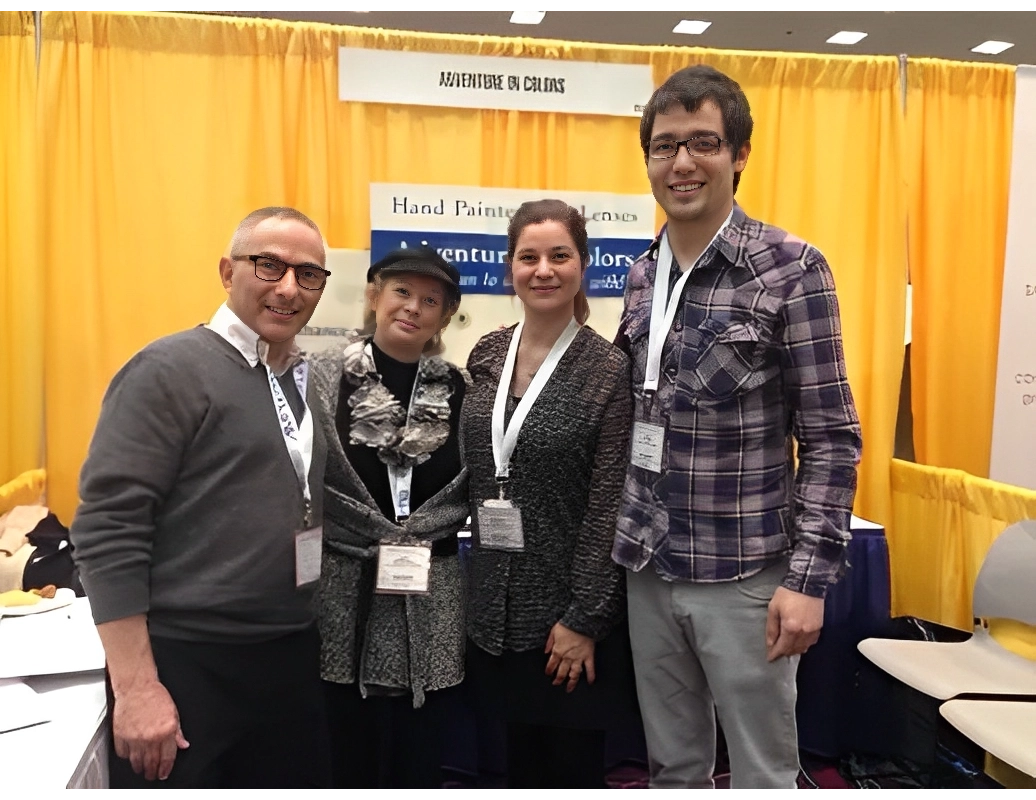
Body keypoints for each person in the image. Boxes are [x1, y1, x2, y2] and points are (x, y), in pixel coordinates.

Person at [611, 64, 864, 791]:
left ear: (739, 155)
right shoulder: (641, 274)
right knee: (673, 766)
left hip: (745, 573)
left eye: (703, 143)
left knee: (762, 771)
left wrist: (809, 580)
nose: (681, 163)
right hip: (649, 565)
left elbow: (831, 437)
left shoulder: (791, 269)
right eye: (664, 146)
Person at [69, 207, 334, 791]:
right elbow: (108, 530)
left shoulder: (298, 379)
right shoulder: (167, 370)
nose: (289, 287)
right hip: (187, 663)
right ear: (226, 270)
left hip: (286, 655)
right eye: (269, 265)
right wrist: (137, 688)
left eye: (308, 274)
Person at [463, 199, 637, 792]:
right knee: (517, 765)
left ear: (582, 266)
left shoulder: (607, 369)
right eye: (528, 257)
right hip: (493, 611)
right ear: (509, 267)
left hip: (567, 618)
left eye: (559, 256)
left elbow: (610, 503)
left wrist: (584, 618)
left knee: (568, 771)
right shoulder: (486, 353)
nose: (543, 270)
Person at [311, 246, 468, 792]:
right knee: (345, 747)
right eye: (402, 292)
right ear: (375, 296)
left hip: (431, 596)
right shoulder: (321, 380)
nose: (414, 308)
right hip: (345, 591)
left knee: (419, 750)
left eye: (431, 300)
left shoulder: (462, 390)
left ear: (445, 316)